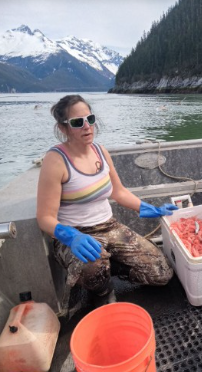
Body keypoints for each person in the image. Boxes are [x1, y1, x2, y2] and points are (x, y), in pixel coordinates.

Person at [36, 94, 178, 311]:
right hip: (75, 235)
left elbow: (119, 192)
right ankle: (102, 290)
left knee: (162, 273)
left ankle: (112, 265)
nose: (87, 127)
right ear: (63, 128)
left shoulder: (100, 151)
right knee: (92, 268)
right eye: (77, 122)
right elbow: (45, 218)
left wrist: (151, 209)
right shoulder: (55, 160)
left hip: (108, 226)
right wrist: (71, 236)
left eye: (90, 119)